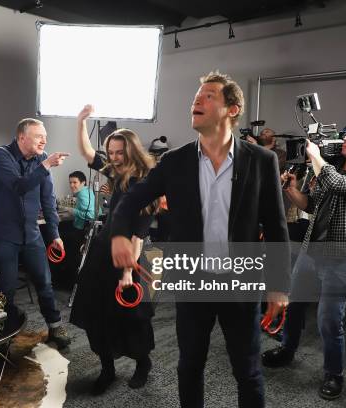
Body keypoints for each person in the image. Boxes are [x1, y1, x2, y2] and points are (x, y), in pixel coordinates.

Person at [109, 71, 291, 408]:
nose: (197, 100)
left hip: (241, 282)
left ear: (232, 109)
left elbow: (277, 228)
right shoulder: (174, 162)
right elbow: (132, 199)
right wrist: (119, 235)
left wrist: (279, 286)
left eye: (209, 95)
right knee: (190, 365)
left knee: (247, 371)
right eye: (196, 95)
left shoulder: (262, 161)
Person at [262, 119, 346, 400]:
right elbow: (311, 205)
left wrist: (316, 156)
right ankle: (287, 348)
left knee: (329, 321)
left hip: (342, 259)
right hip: (311, 252)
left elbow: (340, 185)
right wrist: (292, 189)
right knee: (294, 307)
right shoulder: (333, 170)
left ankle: (333, 374)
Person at [70, 104, 157, 395]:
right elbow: (86, 153)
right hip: (101, 254)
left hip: (129, 257)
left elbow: (140, 234)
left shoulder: (146, 184)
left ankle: (143, 364)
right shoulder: (115, 172)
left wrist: (128, 273)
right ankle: (107, 368)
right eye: (112, 152)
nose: (116, 158)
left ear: (132, 151)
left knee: (132, 319)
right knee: (97, 315)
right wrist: (81, 121)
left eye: (121, 153)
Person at [0, 117, 71, 348]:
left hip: (31, 233)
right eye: (38, 136)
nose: (44, 140)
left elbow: (48, 199)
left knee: (45, 282)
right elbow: (19, 186)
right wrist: (45, 167)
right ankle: (2, 335)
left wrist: (54, 234)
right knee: (7, 287)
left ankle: (55, 327)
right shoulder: (1, 155)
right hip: (5, 234)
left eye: (45, 136)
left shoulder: (42, 159)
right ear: (22, 137)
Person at [54, 171, 96, 286]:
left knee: (55, 236)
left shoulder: (82, 194)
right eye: (70, 182)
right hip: (85, 230)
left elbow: (92, 215)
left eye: (75, 182)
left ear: (83, 182)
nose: (72, 185)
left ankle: (58, 278)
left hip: (81, 231)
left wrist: (71, 210)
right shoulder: (87, 191)